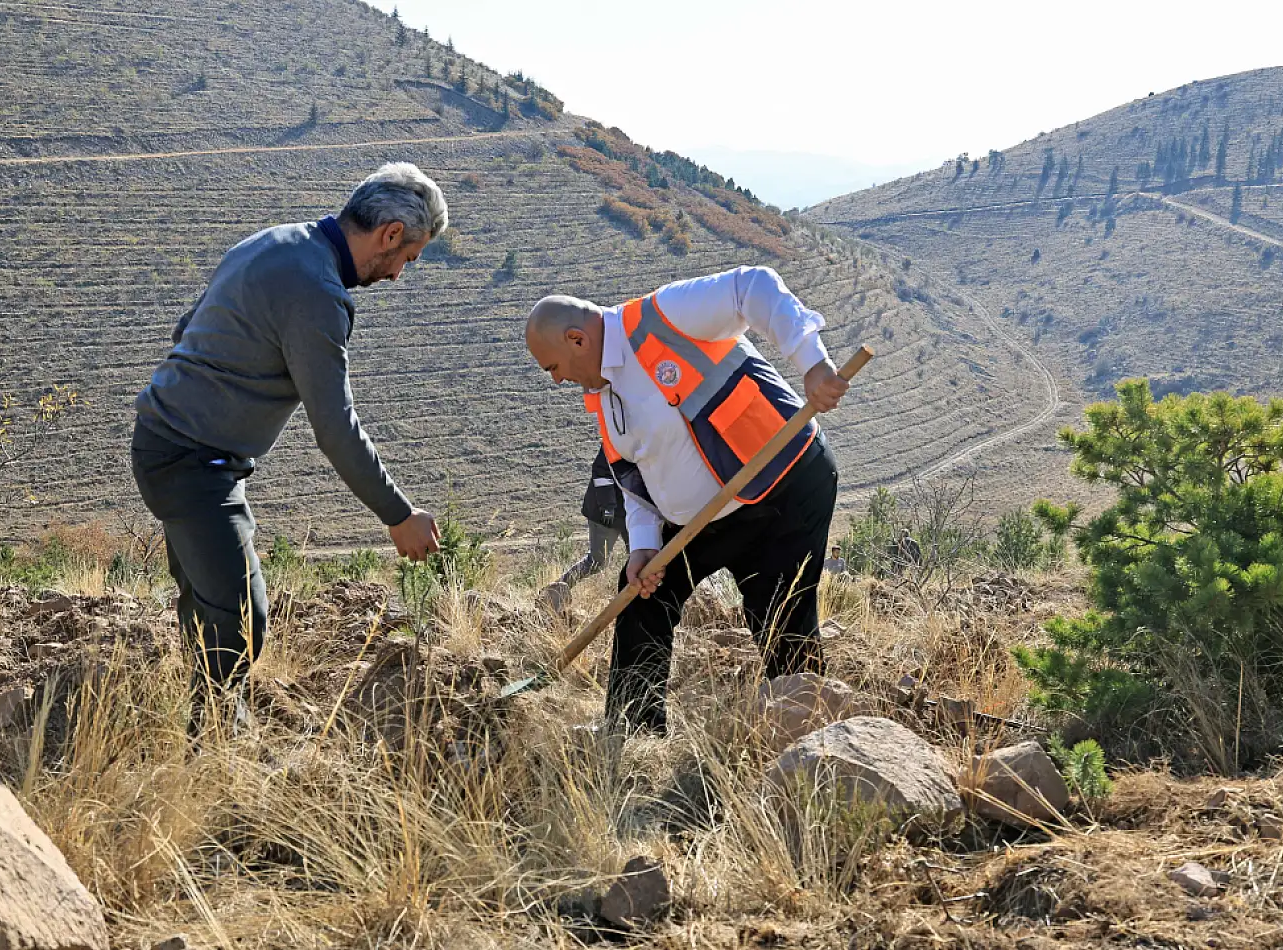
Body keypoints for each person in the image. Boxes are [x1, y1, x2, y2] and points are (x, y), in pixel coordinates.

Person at [131, 163, 446, 712]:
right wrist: (399, 515)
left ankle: (206, 736)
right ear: (390, 233)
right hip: (192, 463)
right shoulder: (318, 291)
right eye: (406, 258)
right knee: (242, 619)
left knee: (211, 611)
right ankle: (213, 746)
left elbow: (188, 327)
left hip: (169, 443)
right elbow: (335, 427)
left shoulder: (275, 242)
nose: (398, 274)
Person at [524, 265, 851, 735]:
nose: (556, 381)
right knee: (641, 594)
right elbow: (632, 477)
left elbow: (753, 286)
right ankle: (635, 733)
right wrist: (642, 547)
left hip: (783, 485)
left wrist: (812, 361)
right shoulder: (603, 397)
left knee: (780, 619)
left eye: (552, 368)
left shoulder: (660, 318)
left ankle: (809, 743)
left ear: (577, 339)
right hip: (706, 518)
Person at [543, 448, 630, 610]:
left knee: (641, 561)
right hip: (605, 514)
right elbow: (601, 471)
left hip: (632, 513)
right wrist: (607, 506)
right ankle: (554, 594)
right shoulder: (617, 436)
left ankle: (638, 604)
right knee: (596, 562)